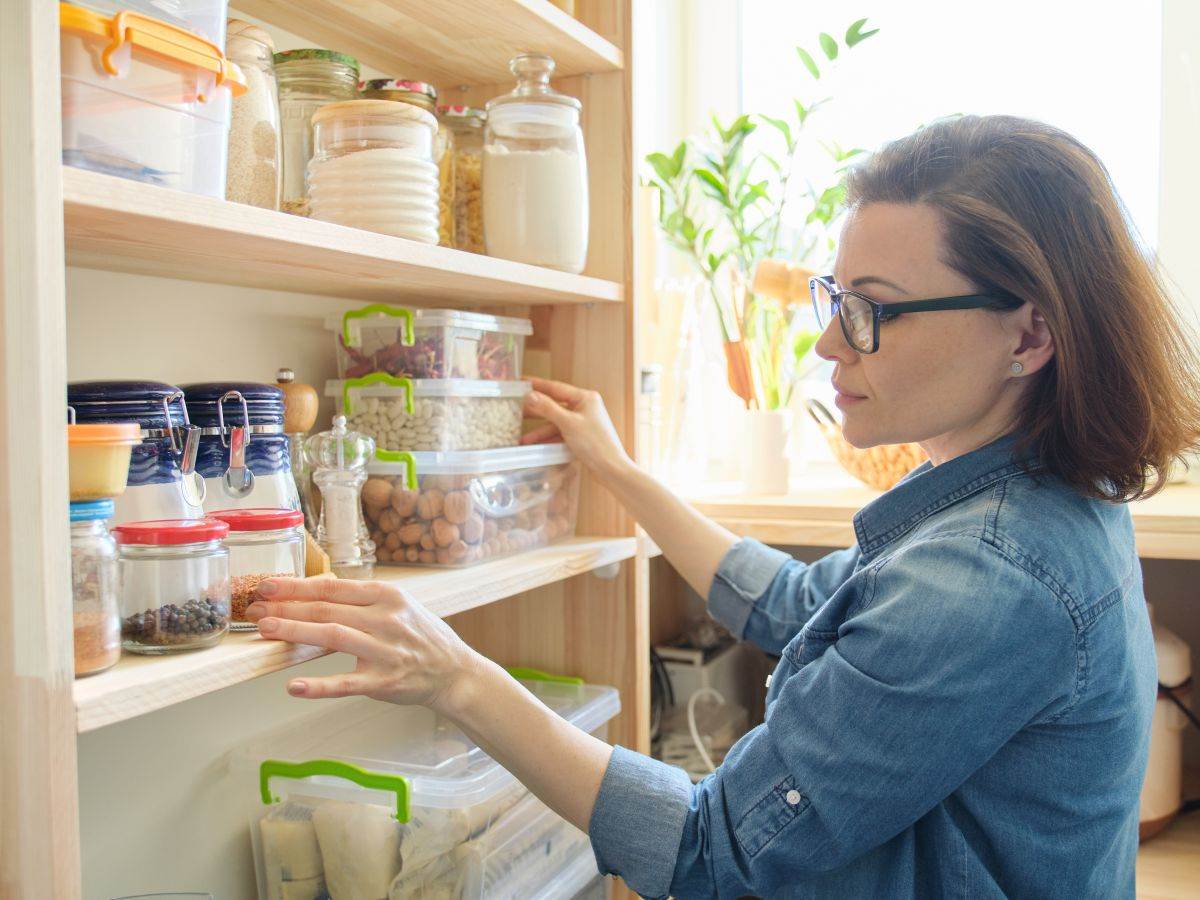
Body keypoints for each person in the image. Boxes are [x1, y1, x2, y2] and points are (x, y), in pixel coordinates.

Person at [246, 115, 1200, 898]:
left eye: (870, 307)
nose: (830, 341)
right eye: (835, 296)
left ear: (1029, 334)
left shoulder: (984, 575)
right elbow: (796, 605)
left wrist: (456, 677)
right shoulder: (1021, 495)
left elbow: (712, 849)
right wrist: (619, 473)